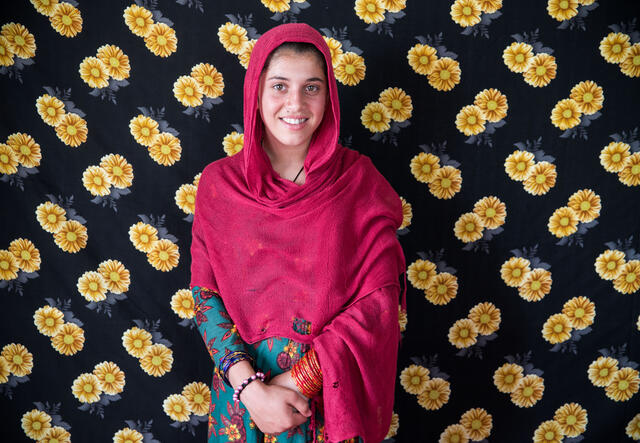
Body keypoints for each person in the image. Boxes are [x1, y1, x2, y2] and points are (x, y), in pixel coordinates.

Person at [190, 22, 407, 443]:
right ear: (255, 93)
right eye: (279, 86)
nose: (296, 102)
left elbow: (380, 300)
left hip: (327, 395)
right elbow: (205, 295)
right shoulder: (220, 185)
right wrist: (252, 392)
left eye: (312, 87)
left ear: (329, 96)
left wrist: (297, 382)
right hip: (242, 399)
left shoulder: (357, 181)